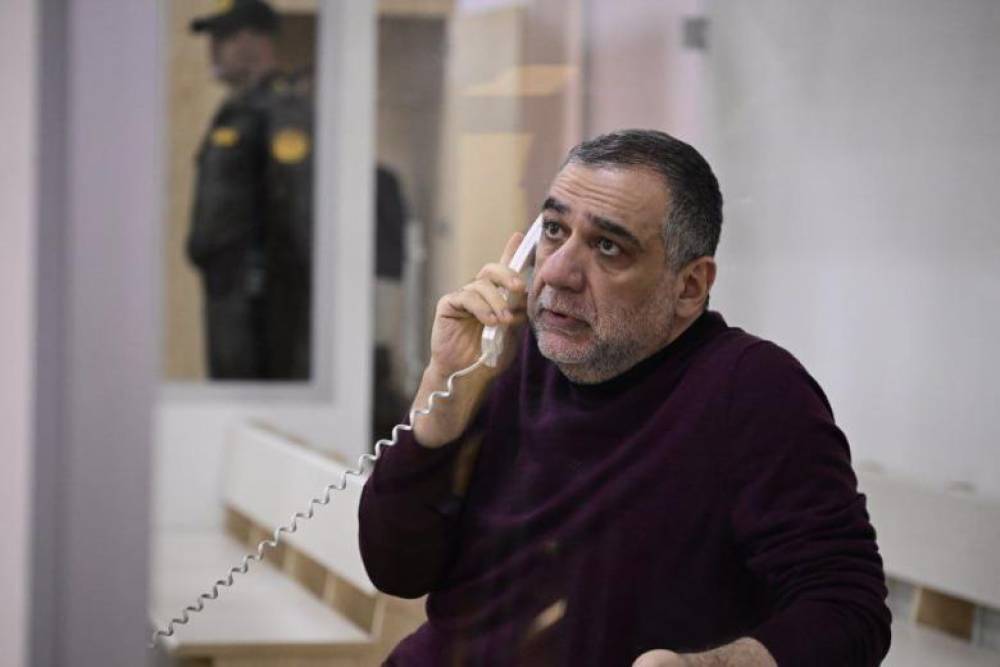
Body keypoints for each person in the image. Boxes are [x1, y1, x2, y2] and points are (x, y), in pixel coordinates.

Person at [358, 130, 891, 665]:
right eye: (554, 230)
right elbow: (396, 570)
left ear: (689, 287)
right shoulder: (503, 356)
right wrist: (442, 389)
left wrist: (709, 666)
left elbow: (848, 607)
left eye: (607, 247)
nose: (557, 271)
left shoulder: (751, 389)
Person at [187, 0, 313, 380]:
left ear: (251, 42)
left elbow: (295, 208)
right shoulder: (237, 111)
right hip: (230, 293)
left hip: (260, 298)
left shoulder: (279, 109)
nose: (213, 50)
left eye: (221, 39)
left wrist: (277, 286)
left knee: (251, 394)